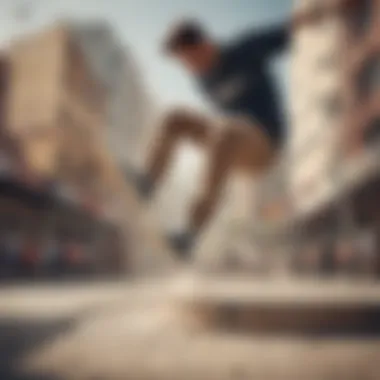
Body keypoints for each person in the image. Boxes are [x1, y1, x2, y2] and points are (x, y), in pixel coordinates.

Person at [128, 0, 356, 259]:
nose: (190, 69)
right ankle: (147, 182)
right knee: (174, 117)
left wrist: (336, 8)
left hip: (264, 147)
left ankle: (190, 233)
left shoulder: (246, 49)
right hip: (230, 141)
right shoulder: (201, 80)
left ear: (204, 45)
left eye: (190, 59)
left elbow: (295, 25)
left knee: (225, 129)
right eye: (184, 64)